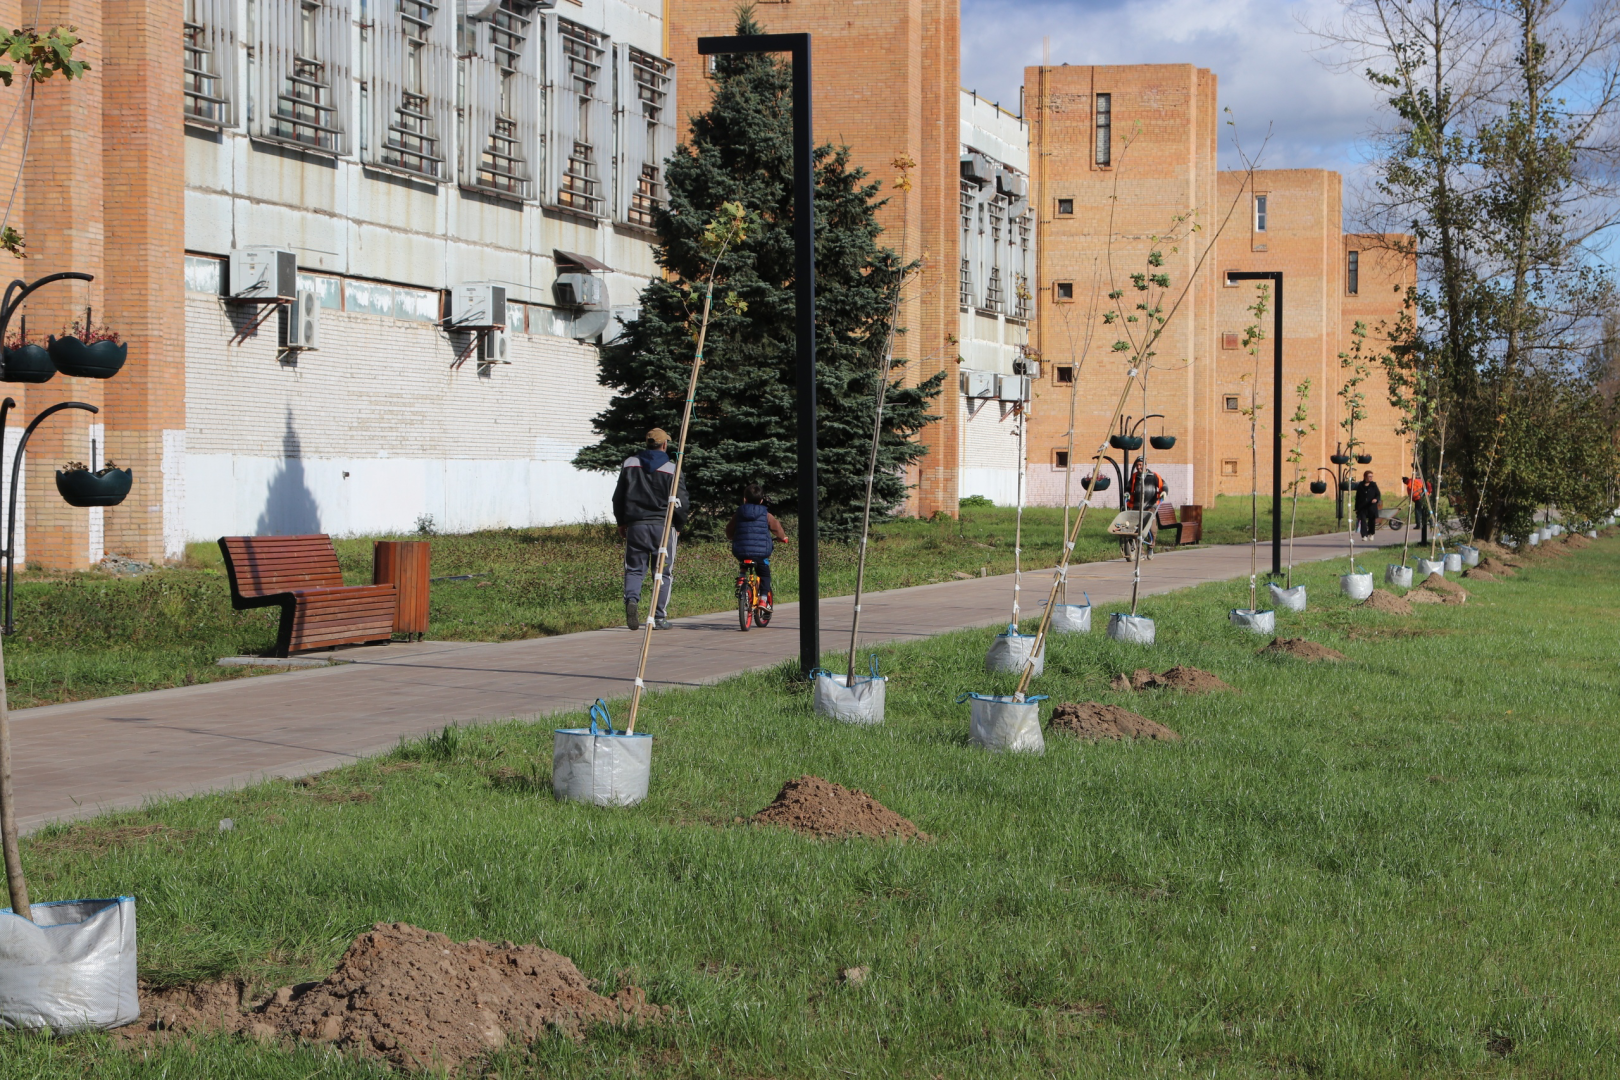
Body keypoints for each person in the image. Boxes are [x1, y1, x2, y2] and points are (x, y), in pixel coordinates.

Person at [613, 428, 688, 630]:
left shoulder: (629, 464)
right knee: (662, 572)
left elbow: (618, 497)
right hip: (663, 526)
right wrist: (679, 525)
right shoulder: (672, 468)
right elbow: (680, 501)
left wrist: (621, 522)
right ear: (664, 445)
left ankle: (632, 600)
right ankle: (658, 616)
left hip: (635, 525)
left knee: (635, 569)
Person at [725, 483, 791, 608]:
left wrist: (732, 537)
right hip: (761, 553)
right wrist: (783, 538)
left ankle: (741, 576)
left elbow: (729, 530)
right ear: (761, 500)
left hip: (741, 549)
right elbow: (776, 528)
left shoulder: (738, 513)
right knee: (764, 574)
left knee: (744, 557)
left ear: (745, 499)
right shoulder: (766, 514)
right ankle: (763, 600)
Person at [1355, 470, 1382, 538]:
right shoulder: (1360, 485)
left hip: (1371, 506)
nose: (1371, 478)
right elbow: (1357, 497)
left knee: (1371, 521)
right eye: (1369, 476)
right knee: (1363, 521)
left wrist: (1376, 499)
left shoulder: (1373, 485)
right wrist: (1356, 508)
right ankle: (1364, 535)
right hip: (1362, 506)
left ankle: (1371, 533)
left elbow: (1378, 494)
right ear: (1365, 477)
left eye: (1372, 476)